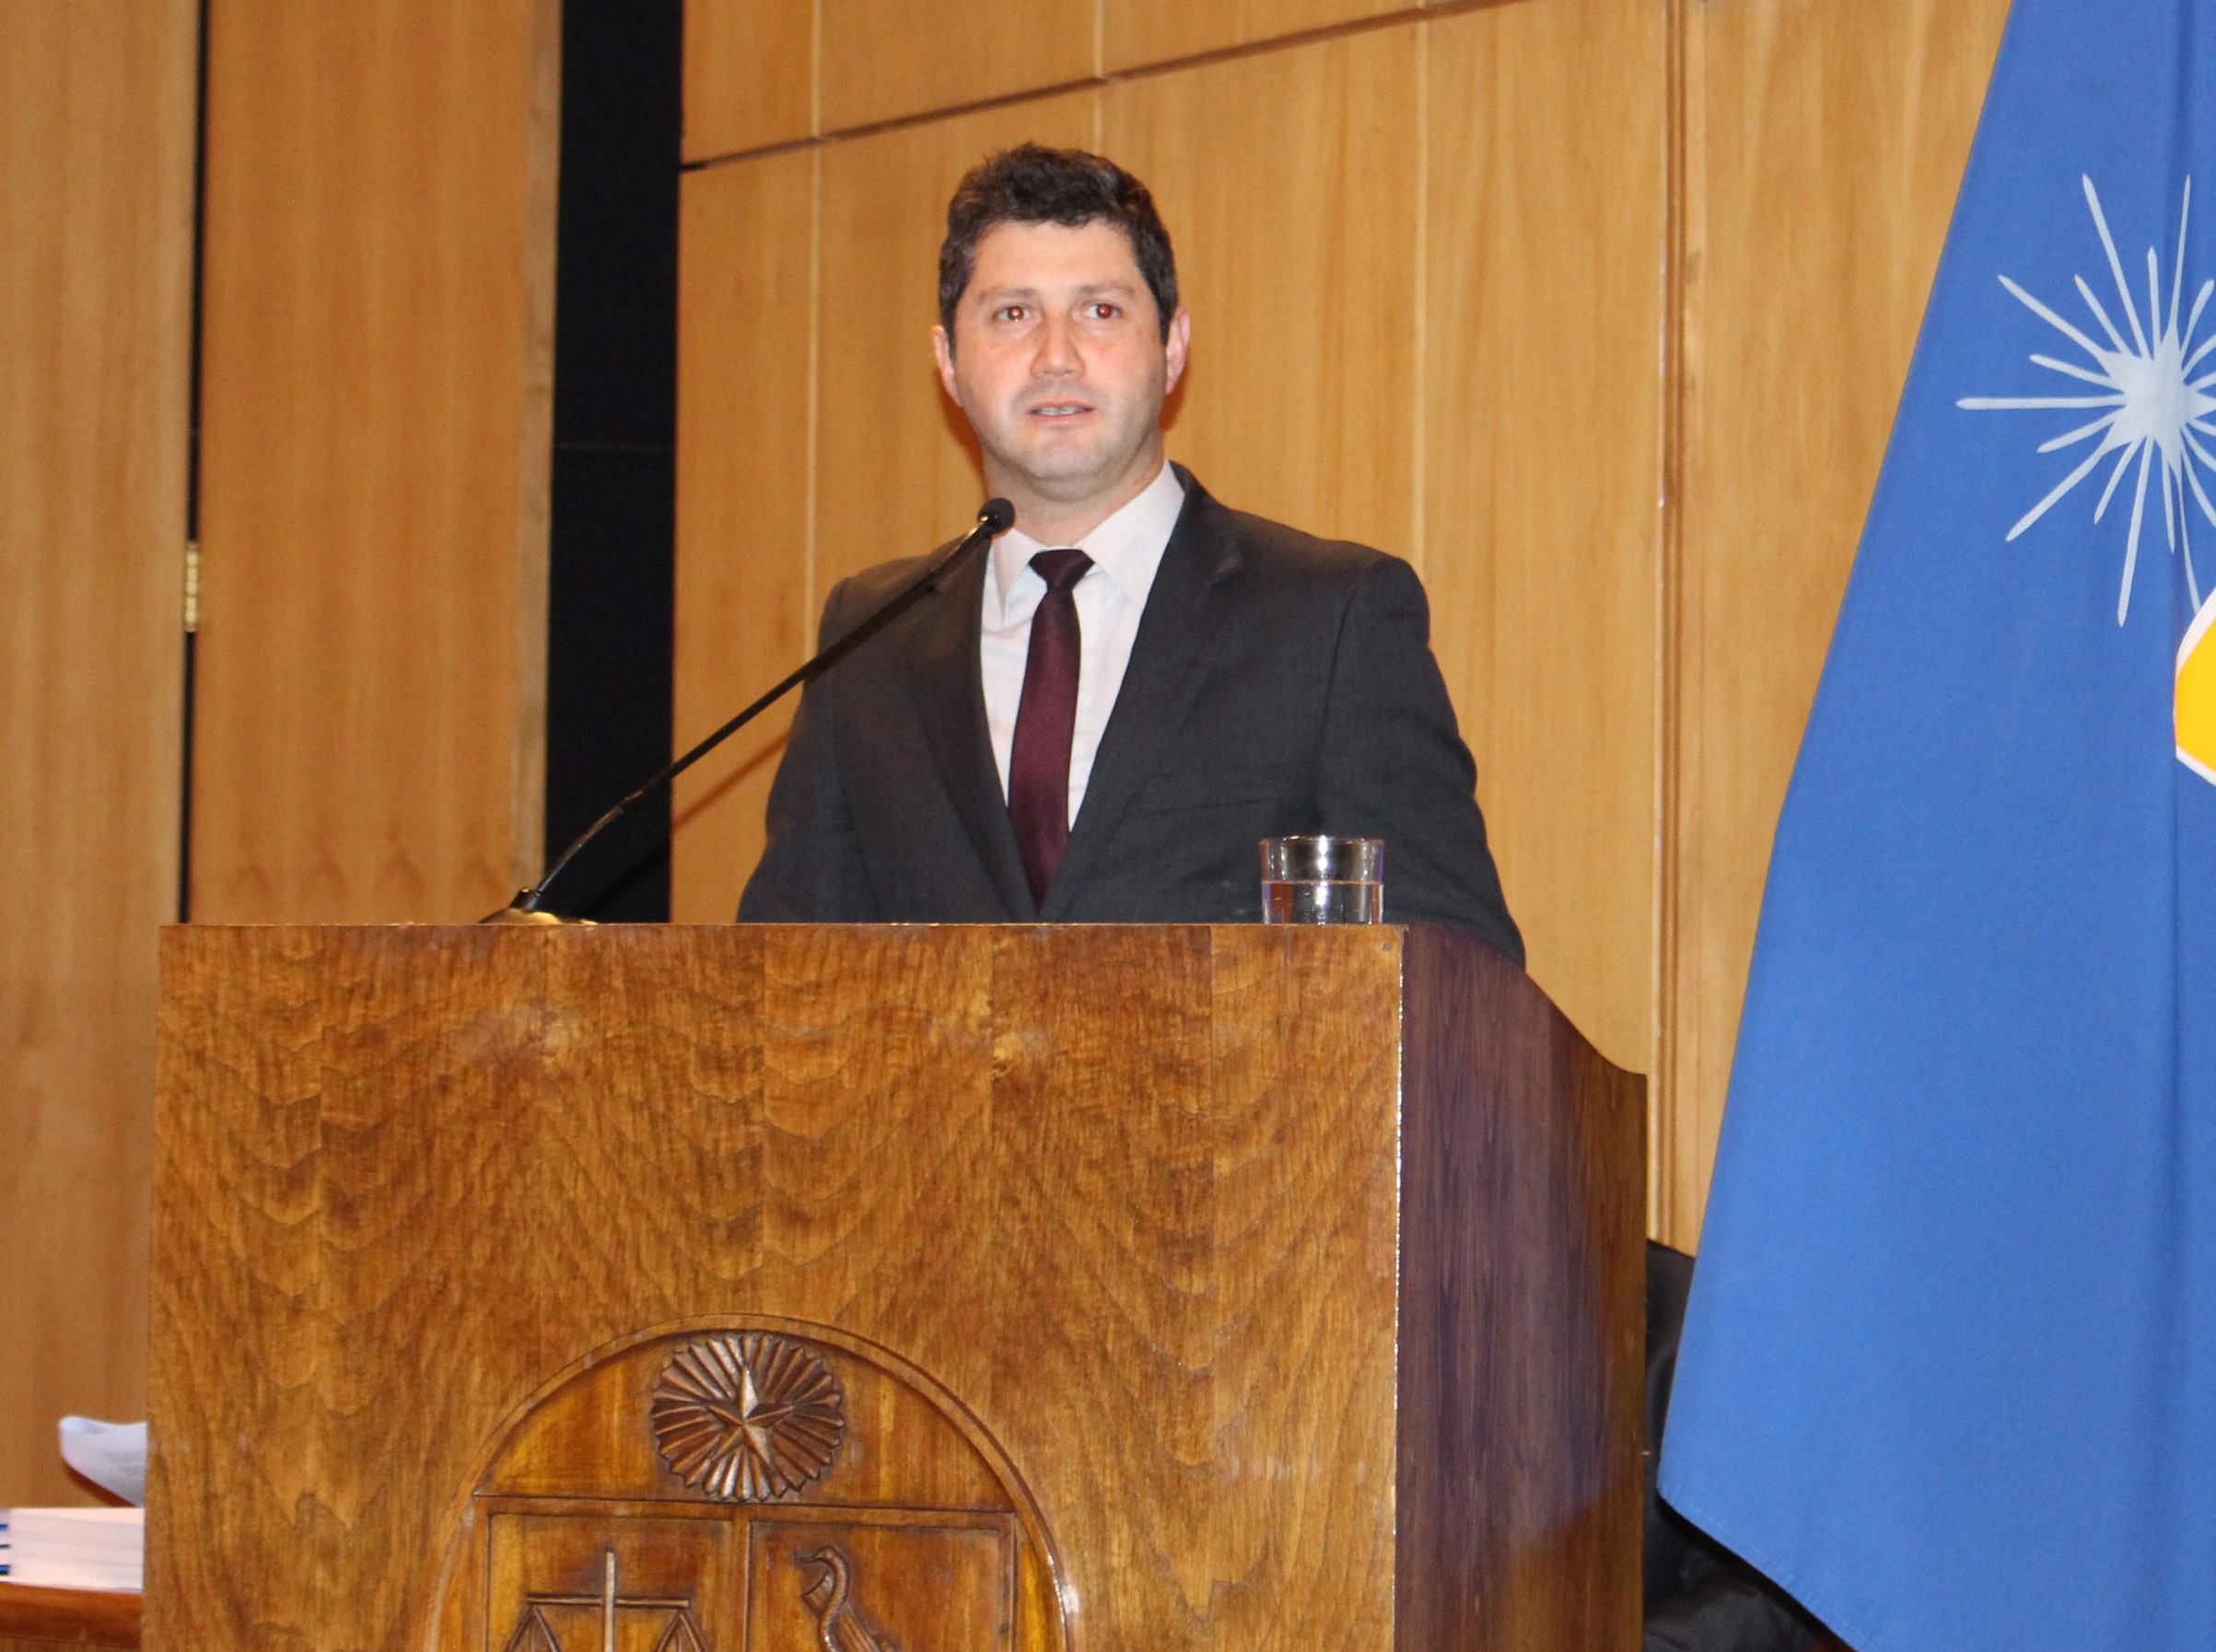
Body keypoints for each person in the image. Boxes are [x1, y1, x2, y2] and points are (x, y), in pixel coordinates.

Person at [739, 143, 1521, 962]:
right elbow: (785, 977)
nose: (1055, 356)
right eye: (1012, 313)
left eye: (1100, 311)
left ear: (1173, 346)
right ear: (948, 362)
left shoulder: (1330, 619)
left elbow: (1458, 977)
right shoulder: (871, 639)